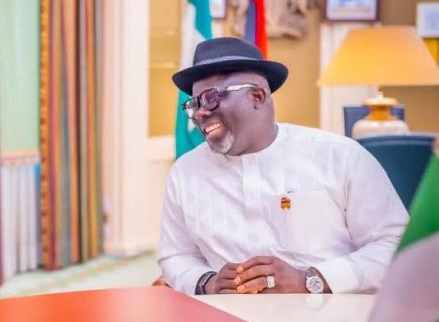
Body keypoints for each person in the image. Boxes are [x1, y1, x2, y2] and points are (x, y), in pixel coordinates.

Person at [158, 37, 408, 296]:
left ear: (257, 96)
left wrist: (313, 280)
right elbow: (176, 254)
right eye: (194, 104)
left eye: (210, 98)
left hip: (329, 315)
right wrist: (207, 282)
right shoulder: (186, 172)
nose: (200, 113)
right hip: (225, 317)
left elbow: (396, 245)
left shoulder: (340, 157)